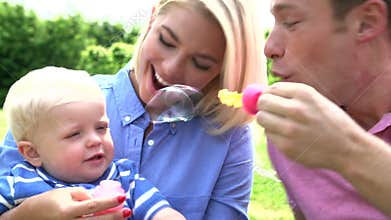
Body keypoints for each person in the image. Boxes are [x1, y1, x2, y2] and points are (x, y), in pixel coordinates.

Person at [0, 0, 267, 219]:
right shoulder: (53, 104)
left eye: (201, 63)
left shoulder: (228, 134)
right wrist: (29, 214)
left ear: (223, 71)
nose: (172, 68)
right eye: (166, 41)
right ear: (151, 19)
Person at [256, 0, 391, 219]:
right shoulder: (292, 129)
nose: (269, 47)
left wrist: (349, 150)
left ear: (366, 22)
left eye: (291, 22)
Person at [0, 66, 186, 220]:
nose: (95, 140)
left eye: (101, 128)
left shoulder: (124, 177)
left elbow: (159, 210)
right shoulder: (19, 181)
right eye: (74, 134)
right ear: (33, 152)